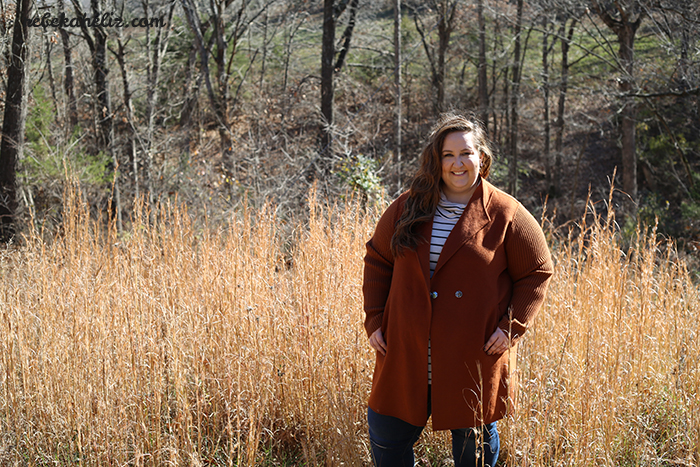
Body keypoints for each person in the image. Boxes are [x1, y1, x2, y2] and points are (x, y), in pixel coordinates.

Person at [363, 113, 554, 467]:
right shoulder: (408, 206)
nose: (457, 163)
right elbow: (378, 259)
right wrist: (374, 320)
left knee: (473, 452)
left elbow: (537, 271)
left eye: (465, 153)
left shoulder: (505, 213)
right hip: (407, 351)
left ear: (482, 156)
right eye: (448, 155)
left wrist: (511, 327)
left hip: (473, 355)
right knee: (387, 439)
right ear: (437, 160)